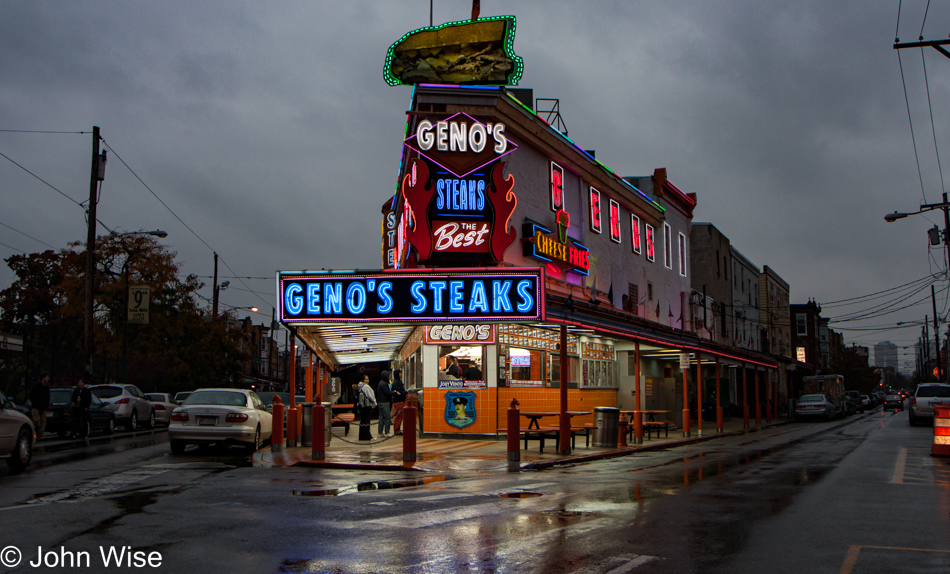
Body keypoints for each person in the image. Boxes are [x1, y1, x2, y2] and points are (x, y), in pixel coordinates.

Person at [29, 372, 51, 439]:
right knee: (36, 420)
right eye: (47, 377)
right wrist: (36, 402)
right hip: (36, 407)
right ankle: (33, 433)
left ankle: (40, 436)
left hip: (43, 407)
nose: (48, 379)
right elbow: (31, 396)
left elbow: (47, 397)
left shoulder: (46, 387)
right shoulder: (36, 387)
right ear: (43, 378)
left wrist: (46, 405)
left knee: (43, 422)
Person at [354, 375, 376, 441]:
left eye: (368, 379)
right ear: (363, 380)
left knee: (363, 421)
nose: (367, 381)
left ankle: (362, 436)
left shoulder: (360, 386)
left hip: (362, 406)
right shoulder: (366, 387)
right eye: (366, 379)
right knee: (367, 421)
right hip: (367, 405)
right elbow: (370, 396)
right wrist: (374, 403)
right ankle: (367, 436)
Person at [71, 374, 93, 439]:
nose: (79, 384)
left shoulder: (87, 391)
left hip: (84, 408)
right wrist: (76, 400)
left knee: (84, 421)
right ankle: (74, 434)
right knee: (76, 421)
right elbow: (73, 398)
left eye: (81, 382)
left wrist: (87, 406)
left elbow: (89, 399)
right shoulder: (76, 390)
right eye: (79, 382)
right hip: (77, 408)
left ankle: (85, 434)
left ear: (83, 383)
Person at [390, 369, 408, 435]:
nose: (401, 375)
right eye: (399, 373)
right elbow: (400, 391)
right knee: (398, 416)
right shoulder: (396, 382)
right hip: (398, 401)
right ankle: (397, 430)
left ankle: (397, 429)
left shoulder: (398, 381)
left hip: (399, 400)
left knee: (399, 415)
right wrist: (405, 392)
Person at [376, 371, 393, 436]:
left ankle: (380, 432)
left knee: (381, 417)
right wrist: (394, 393)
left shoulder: (380, 383)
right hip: (385, 402)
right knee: (387, 417)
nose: (389, 377)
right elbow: (387, 393)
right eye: (388, 376)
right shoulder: (384, 384)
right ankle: (387, 432)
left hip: (380, 402)